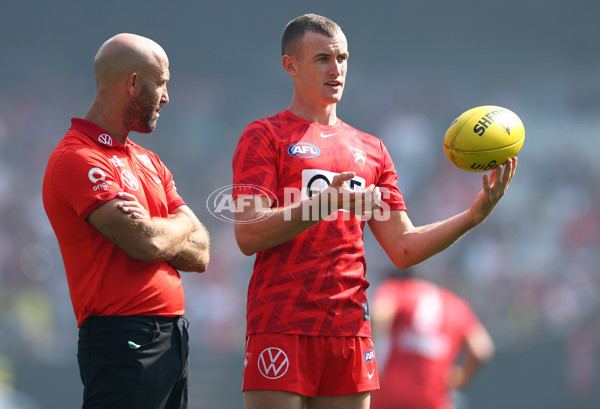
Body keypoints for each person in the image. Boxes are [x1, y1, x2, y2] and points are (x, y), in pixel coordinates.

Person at [231, 13, 516, 409]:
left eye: (343, 58)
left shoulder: (371, 149)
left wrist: (471, 216)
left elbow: (403, 247)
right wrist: (323, 203)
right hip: (282, 324)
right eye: (322, 59)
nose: (337, 69)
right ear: (290, 65)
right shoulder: (264, 136)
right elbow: (248, 233)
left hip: (350, 330)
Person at [42, 33, 210, 409]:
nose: (166, 97)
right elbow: (145, 243)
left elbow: (201, 253)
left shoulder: (148, 160)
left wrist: (158, 225)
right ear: (133, 83)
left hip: (172, 337)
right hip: (123, 337)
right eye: (161, 83)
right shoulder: (78, 157)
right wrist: (180, 222)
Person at [370, 268, 495, 409]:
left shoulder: (398, 289)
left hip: (390, 393)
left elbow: (378, 315)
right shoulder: (456, 305)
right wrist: (459, 379)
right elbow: (482, 350)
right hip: (433, 398)